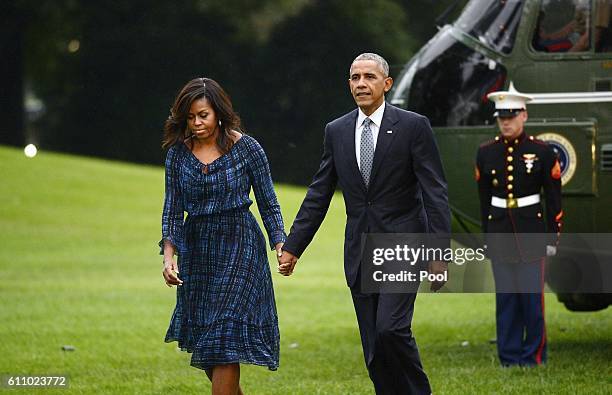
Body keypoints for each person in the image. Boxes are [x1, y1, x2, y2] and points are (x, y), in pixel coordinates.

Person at [277, 53, 451, 394]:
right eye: (355, 77)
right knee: (373, 347)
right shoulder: (337, 131)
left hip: (404, 244)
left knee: (391, 329)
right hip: (360, 251)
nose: (361, 83)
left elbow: (435, 192)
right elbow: (319, 193)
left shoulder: (414, 126)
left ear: (386, 84)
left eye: (369, 77)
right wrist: (294, 245)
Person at [159, 77, 286, 394]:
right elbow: (173, 210)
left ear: (218, 113)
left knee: (225, 336)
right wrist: (169, 259)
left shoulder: (248, 149)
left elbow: (269, 203)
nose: (196, 123)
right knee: (210, 350)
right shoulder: (178, 156)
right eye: (190, 117)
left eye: (203, 115)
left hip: (240, 246)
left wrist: (280, 244)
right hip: (199, 251)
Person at [475, 83, 562, 367]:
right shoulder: (486, 152)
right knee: (506, 298)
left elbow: (553, 198)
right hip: (500, 231)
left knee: (531, 299)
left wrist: (552, 237)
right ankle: (509, 356)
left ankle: (533, 356)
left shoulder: (542, 150)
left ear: (524, 115)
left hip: (531, 232)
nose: (506, 122)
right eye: (502, 117)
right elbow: (484, 200)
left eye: (511, 116)